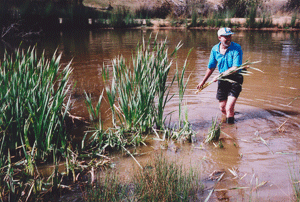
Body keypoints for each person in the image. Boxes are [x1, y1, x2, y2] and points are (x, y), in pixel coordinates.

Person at [197, 27, 243, 124]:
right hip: (223, 80)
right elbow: (211, 67)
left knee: (229, 107)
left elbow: (235, 68)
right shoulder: (215, 49)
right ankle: (228, 120)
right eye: (226, 36)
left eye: (229, 36)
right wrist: (203, 81)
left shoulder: (236, 48)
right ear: (219, 38)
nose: (228, 38)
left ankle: (230, 128)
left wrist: (219, 75)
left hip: (235, 79)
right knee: (222, 108)